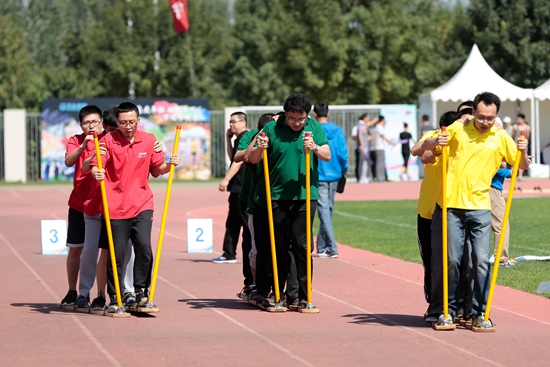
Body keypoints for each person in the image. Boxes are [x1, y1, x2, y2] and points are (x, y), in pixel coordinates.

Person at [421, 92, 529, 327]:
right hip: (452, 206)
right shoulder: (459, 129)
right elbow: (424, 147)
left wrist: (523, 150)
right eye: (481, 117)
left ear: (496, 116)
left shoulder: (500, 136)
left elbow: (520, 164)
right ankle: (447, 311)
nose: (485, 122)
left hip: (480, 208)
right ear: (474, 113)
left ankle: (479, 313)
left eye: (490, 118)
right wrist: (436, 142)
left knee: (481, 261)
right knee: (450, 260)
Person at [90, 102, 179, 312]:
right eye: (123, 123)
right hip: (115, 207)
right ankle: (115, 297)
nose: (128, 126)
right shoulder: (108, 141)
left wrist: (170, 164)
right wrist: (96, 172)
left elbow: (157, 170)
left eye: (131, 122)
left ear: (138, 121)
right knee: (117, 254)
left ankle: (141, 292)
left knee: (144, 247)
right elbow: (97, 164)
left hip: (142, 203)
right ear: (117, 123)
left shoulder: (148, 140)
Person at [249, 93, 330, 309]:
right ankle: (279, 292)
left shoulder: (313, 128)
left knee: (303, 246)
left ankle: (303, 295)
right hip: (276, 196)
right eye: (292, 118)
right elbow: (253, 159)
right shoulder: (271, 129)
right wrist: (261, 147)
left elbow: (327, 155)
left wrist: (314, 147)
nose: (296, 123)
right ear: (286, 114)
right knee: (280, 245)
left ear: (307, 116)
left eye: (301, 119)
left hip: (305, 196)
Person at [410, 110, 457, 323]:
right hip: (428, 210)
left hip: (455, 209)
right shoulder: (434, 136)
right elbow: (422, 154)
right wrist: (436, 145)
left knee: (455, 260)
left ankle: (456, 304)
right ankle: (434, 304)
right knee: (430, 260)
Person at [60, 105, 104, 307]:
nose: (91, 126)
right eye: (86, 122)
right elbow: (69, 161)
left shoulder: (107, 139)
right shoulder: (75, 140)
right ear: (81, 125)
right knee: (76, 249)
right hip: (78, 203)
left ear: (101, 122)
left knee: (100, 250)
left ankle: (100, 294)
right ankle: (72, 291)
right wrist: (82, 146)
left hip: (100, 204)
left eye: (94, 121)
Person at [234, 113, 275, 297]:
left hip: (275, 201)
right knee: (253, 246)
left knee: (276, 245)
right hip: (252, 200)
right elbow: (241, 157)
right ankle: (254, 283)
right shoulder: (251, 137)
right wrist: (259, 138)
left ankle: (277, 286)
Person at [212, 112, 250, 265]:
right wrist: (228, 139)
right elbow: (233, 157)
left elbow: (238, 162)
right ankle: (229, 253)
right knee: (233, 221)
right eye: (230, 122)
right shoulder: (238, 139)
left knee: (244, 222)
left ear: (243, 122)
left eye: (234, 122)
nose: (231, 125)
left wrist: (226, 179)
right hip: (236, 187)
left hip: (241, 186)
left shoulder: (246, 137)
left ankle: (249, 252)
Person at [313, 102, 348, 258]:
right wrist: (344, 169)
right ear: (327, 114)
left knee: (325, 211)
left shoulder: (314, 130)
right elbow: (342, 152)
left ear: (315, 115)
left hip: (320, 174)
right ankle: (327, 247)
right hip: (334, 173)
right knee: (327, 211)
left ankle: (325, 247)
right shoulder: (338, 131)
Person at [490, 161, 514, 267]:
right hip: (492, 189)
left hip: (484, 188)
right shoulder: (495, 145)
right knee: (502, 224)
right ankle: (501, 258)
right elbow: (493, 167)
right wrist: (508, 172)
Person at [369, 116, 396, 182]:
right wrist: (391, 142)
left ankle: (381, 177)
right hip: (379, 147)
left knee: (381, 163)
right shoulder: (379, 127)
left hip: (379, 147)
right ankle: (380, 177)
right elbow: (383, 136)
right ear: (382, 120)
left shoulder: (378, 127)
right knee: (380, 163)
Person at [511, 113, 531, 180]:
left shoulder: (527, 127)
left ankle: (520, 175)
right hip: (515, 145)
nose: (518, 120)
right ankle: (513, 174)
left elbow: (528, 136)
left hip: (523, 146)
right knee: (514, 159)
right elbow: (512, 136)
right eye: (517, 118)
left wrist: (524, 143)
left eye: (519, 118)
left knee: (522, 160)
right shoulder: (515, 126)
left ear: (523, 119)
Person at [354, 114, 371, 183]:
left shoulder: (361, 124)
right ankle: (363, 177)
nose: (368, 119)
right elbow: (360, 134)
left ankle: (363, 177)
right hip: (363, 147)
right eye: (368, 118)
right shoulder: (361, 125)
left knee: (363, 163)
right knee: (364, 163)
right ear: (364, 118)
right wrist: (362, 145)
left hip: (362, 146)